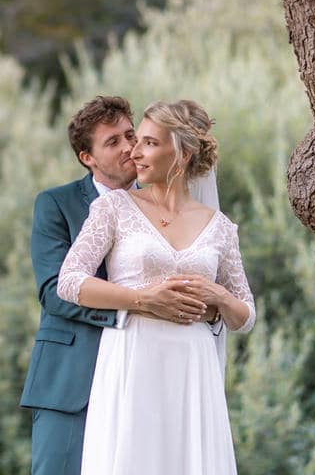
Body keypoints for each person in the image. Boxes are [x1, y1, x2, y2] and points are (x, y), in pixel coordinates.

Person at [57, 99, 255, 475]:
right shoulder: (114, 208)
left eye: (148, 142)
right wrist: (141, 299)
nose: (134, 151)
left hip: (194, 369)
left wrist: (218, 296)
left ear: (181, 153)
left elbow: (245, 315)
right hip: (134, 358)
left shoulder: (220, 227)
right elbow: (69, 282)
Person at [20, 96, 217, 475]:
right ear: (87, 158)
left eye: (132, 135)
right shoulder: (55, 204)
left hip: (150, 379)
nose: (129, 148)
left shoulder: (178, 211)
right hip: (72, 384)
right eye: (113, 142)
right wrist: (139, 305)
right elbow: (52, 291)